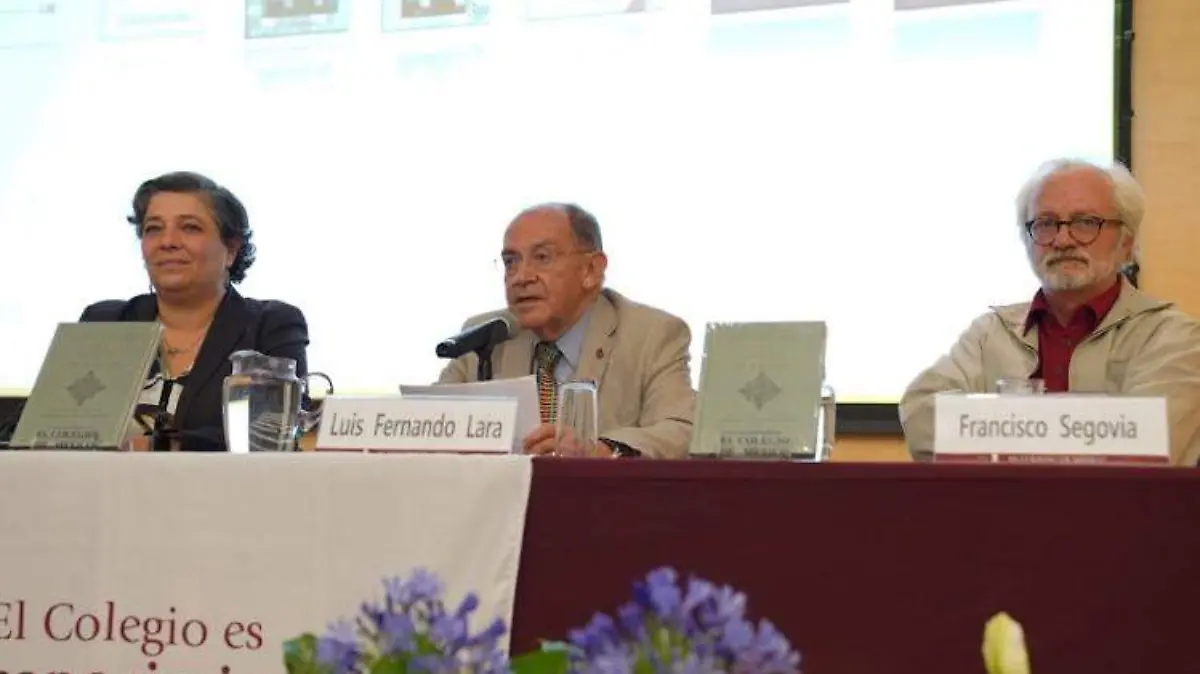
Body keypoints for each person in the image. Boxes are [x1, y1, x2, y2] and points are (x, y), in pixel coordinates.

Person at [900, 159, 1200, 466]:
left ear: (1126, 242)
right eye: (1045, 223)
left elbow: (1152, 447)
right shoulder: (989, 334)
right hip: (1001, 500)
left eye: (1085, 222)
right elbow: (921, 414)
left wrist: (1003, 436)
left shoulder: (1173, 338)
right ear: (1026, 240)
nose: (1063, 240)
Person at [438, 203, 695, 459]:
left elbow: (682, 429)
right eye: (511, 262)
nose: (521, 277)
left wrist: (601, 450)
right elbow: (429, 421)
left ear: (592, 269)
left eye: (542, 258)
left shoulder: (652, 335)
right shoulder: (484, 337)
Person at [80, 171, 309, 451]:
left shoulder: (269, 326)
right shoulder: (105, 323)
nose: (167, 241)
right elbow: (58, 424)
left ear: (231, 250)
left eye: (189, 228)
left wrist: (159, 446)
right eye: (153, 229)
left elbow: (273, 435)